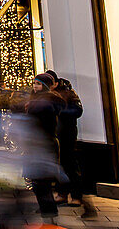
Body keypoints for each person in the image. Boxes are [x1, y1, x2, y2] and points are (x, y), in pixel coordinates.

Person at [54, 76, 96, 217]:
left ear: (55, 83)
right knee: (58, 165)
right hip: (53, 136)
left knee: (69, 164)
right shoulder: (46, 96)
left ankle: (78, 196)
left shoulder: (68, 94)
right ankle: (62, 193)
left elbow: (77, 111)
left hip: (66, 135)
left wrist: (58, 111)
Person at [23, 73, 63, 219]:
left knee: (41, 181)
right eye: (34, 83)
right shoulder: (37, 100)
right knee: (38, 180)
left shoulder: (46, 101)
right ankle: (47, 209)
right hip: (36, 143)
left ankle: (49, 211)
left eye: (38, 84)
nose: (35, 86)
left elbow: (42, 122)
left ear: (45, 86)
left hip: (43, 143)